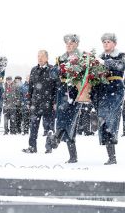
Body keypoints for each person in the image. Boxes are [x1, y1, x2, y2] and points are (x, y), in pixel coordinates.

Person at [91, 33, 125, 165]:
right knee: (106, 125)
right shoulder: (99, 57)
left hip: (115, 89)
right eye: (104, 42)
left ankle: (99, 118)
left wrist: (105, 63)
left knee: (111, 118)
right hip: (102, 90)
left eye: (108, 41)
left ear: (114, 43)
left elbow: (121, 66)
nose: (106, 44)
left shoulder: (122, 55)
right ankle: (111, 156)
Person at [47, 34, 82, 163]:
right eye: (67, 43)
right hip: (62, 93)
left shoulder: (82, 57)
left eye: (72, 43)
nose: (69, 45)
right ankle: (71, 155)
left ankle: (57, 138)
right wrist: (58, 69)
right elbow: (52, 74)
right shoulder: (60, 58)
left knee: (71, 122)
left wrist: (71, 69)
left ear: (77, 44)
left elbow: (84, 74)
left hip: (76, 92)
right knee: (62, 120)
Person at [22, 50, 57, 154]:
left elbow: (56, 87)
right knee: (33, 127)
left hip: (48, 104)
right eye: (38, 56)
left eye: (42, 56)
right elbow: (30, 88)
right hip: (35, 104)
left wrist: (55, 101)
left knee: (49, 127)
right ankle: (32, 147)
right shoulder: (34, 70)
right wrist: (29, 101)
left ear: (47, 57)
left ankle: (49, 147)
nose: (39, 58)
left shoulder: (52, 69)